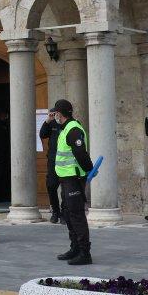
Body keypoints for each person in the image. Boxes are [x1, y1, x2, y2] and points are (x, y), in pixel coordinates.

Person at [50, 101, 93, 265]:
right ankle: (75, 247)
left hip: (74, 180)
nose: (54, 116)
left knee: (77, 215)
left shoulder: (73, 129)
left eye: (55, 114)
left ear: (60, 114)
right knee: (68, 214)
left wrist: (88, 170)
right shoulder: (65, 129)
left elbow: (81, 153)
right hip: (66, 179)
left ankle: (84, 252)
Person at [39, 112, 65, 223]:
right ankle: (55, 211)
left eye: (58, 113)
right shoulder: (52, 123)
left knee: (66, 188)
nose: (57, 115)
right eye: (55, 113)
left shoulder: (69, 124)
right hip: (53, 161)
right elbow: (42, 134)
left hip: (65, 163)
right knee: (51, 186)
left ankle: (64, 213)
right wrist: (47, 121)